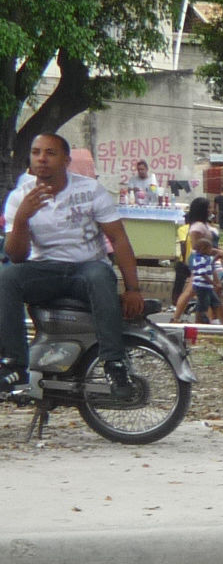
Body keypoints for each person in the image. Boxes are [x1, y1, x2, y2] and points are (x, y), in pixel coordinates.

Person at [0, 133, 148, 399]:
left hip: (86, 268)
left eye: (50, 153)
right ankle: (15, 364)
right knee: (6, 277)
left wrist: (133, 288)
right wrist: (22, 218)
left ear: (66, 160)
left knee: (99, 275)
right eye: (36, 153)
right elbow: (17, 256)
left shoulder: (90, 190)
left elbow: (119, 239)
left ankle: (115, 364)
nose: (41, 159)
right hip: (44, 270)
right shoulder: (19, 197)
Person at [174, 228, 223, 323]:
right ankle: (200, 322)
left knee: (215, 303)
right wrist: (213, 283)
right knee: (203, 306)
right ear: (203, 249)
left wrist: (217, 256)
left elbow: (210, 265)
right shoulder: (200, 259)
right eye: (209, 248)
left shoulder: (206, 258)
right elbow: (202, 273)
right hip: (202, 286)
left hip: (206, 286)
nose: (211, 250)